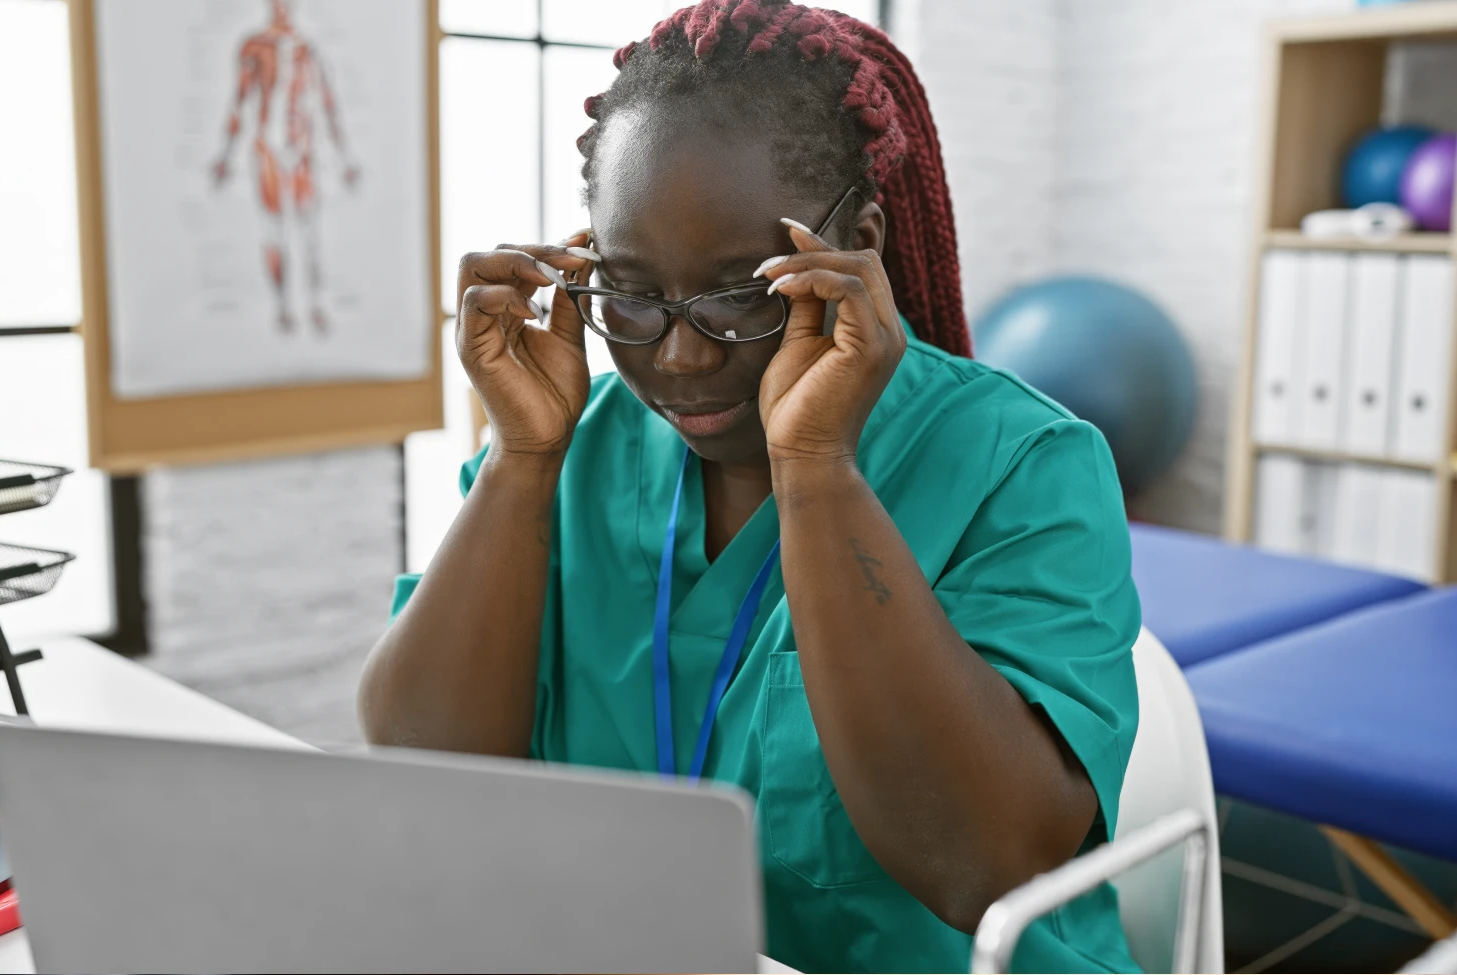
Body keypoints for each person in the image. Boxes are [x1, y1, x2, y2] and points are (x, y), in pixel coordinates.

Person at [360, 3, 1140, 971]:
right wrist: (520, 464)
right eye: (632, 293)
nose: (681, 358)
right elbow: (425, 775)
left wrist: (817, 470)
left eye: (740, 292)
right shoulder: (572, 447)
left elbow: (982, 863)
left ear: (855, 243)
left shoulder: (1021, 464)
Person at [211, 0, 358, 334]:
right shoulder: (255, 46)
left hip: (302, 149)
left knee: (309, 231)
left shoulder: (307, 49)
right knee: (275, 230)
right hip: (269, 149)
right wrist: (225, 155)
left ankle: (315, 303)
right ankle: (283, 307)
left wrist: (344, 159)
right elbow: (240, 98)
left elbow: (327, 103)